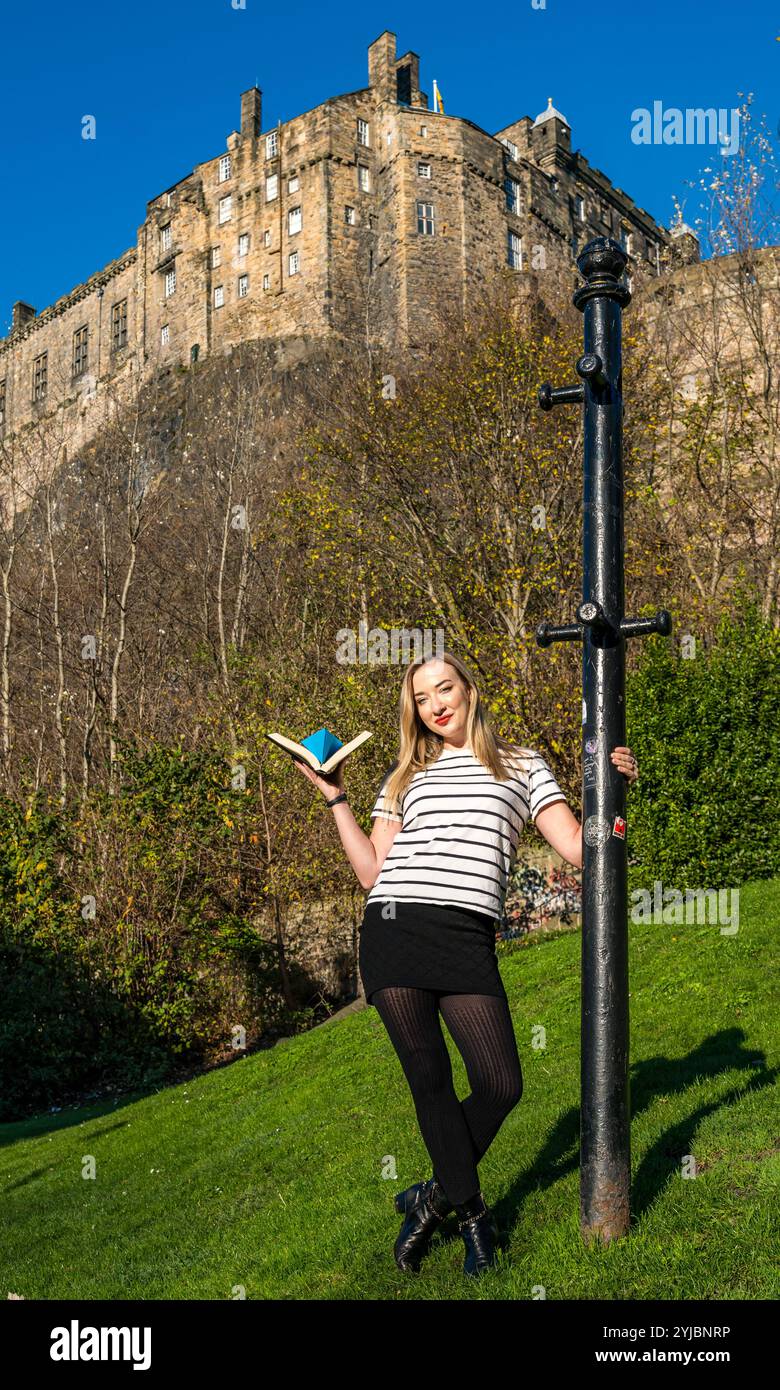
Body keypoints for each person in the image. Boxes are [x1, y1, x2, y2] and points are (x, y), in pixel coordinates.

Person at [293, 650, 638, 1279]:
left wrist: (615, 791)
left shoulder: (523, 764)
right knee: (430, 1083)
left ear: (470, 690)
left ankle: (428, 1199)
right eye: (422, 700)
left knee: (502, 1083)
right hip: (395, 929)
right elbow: (373, 871)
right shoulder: (406, 774)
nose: (435, 706)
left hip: (467, 935)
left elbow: (580, 849)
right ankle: (475, 1218)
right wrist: (335, 798)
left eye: (444, 689)